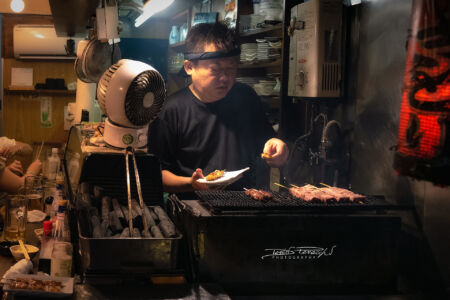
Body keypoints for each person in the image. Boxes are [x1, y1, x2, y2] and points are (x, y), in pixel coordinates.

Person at [148, 22, 288, 194]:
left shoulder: (246, 97)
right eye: (216, 70)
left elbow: (265, 140)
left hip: (245, 203)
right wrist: (191, 183)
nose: (225, 77)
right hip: (193, 208)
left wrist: (275, 145)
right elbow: (157, 173)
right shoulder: (171, 110)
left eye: (231, 68)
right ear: (189, 67)